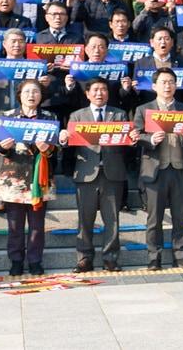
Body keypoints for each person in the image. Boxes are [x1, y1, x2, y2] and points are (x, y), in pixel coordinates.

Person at [60, 77, 136, 272]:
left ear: (108, 93)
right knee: (85, 219)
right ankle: (84, 257)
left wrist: (133, 139)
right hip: (86, 173)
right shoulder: (77, 116)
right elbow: (68, 146)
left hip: (113, 172)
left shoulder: (119, 115)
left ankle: (110, 257)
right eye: (95, 90)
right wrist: (64, 140)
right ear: (87, 94)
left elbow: (128, 143)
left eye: (103, 89)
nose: (99, 93)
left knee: (112, 219)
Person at [0, 79, 60, 276]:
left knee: (38, 226)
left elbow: (55, 149)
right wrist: (2, 147)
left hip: (39, 177)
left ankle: (35, 261)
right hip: (14, 178)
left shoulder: (49, 117)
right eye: (27, 92)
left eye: (36, 92)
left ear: (41, 96)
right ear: (19, 95)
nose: (31, 96)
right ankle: (16, 261)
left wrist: (48, 149)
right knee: (15, 225)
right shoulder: (7, 117)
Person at [133, 67, 183, 270]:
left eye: (171, 81)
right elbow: (135, 136)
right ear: (154, 86)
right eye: (163, 82)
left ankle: (181, 255)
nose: (168, 85)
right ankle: (154, 257)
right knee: (154, 218)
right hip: (155, 170)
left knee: (180, 217)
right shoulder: (144, 110)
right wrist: (150, 139)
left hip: (180, 169)